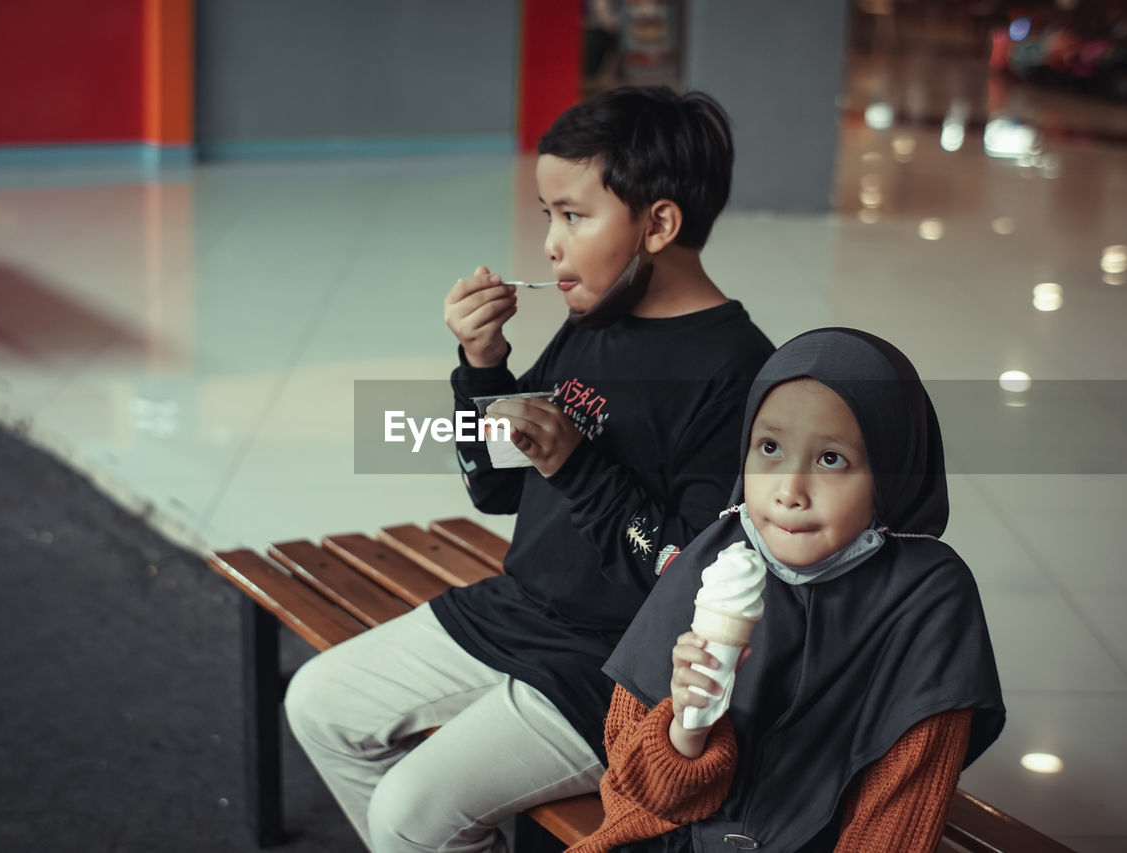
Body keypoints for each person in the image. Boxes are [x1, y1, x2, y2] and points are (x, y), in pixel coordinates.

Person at [284, 85, 776, 853]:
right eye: (548, 213)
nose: (549, 242)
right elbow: (497, 486)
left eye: (573, 215)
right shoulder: (595, 323)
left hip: (620, 670)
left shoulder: (739, 372)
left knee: (409, 812)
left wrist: (578, 466)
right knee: (318, 702)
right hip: (523, 611)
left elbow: (689, 574)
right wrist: (483, 367)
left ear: (659, 224)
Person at [570, 328, 1006, 853]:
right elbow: (637, 798)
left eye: (831, 460)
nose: (790, 491)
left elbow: (896, 823)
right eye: (770, 448)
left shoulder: (929, 600)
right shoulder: (716, 558)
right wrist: (688, 725)